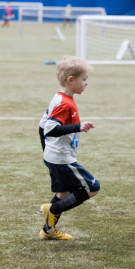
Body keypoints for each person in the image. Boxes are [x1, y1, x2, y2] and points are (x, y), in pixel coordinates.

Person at [39, 56, 100, 240]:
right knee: (93, 187)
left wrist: (47, 151)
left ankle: (47, 231)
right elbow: (49, 128)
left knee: (63, 193)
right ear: (70, 80)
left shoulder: (61, 98)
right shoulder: (64, 103)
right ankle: (51, 210)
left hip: (54, 156)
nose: (86, 83)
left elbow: (41, 126)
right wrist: (77, 127)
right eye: (84, 79)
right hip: (62, 159)